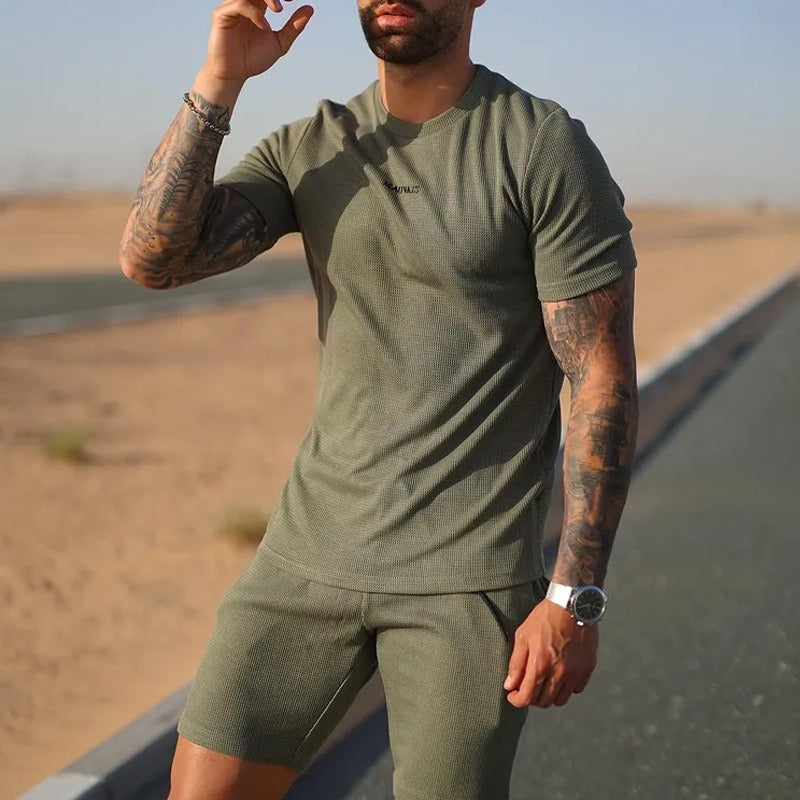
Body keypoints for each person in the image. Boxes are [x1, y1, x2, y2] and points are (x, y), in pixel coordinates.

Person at [120, 1, 639, 798]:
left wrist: (574, 595)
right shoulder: (314, 145)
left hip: (465, 579)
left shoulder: (540, 143)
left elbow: (599, 376)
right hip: (304, 558)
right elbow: (155, 259)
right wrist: (220, 81)